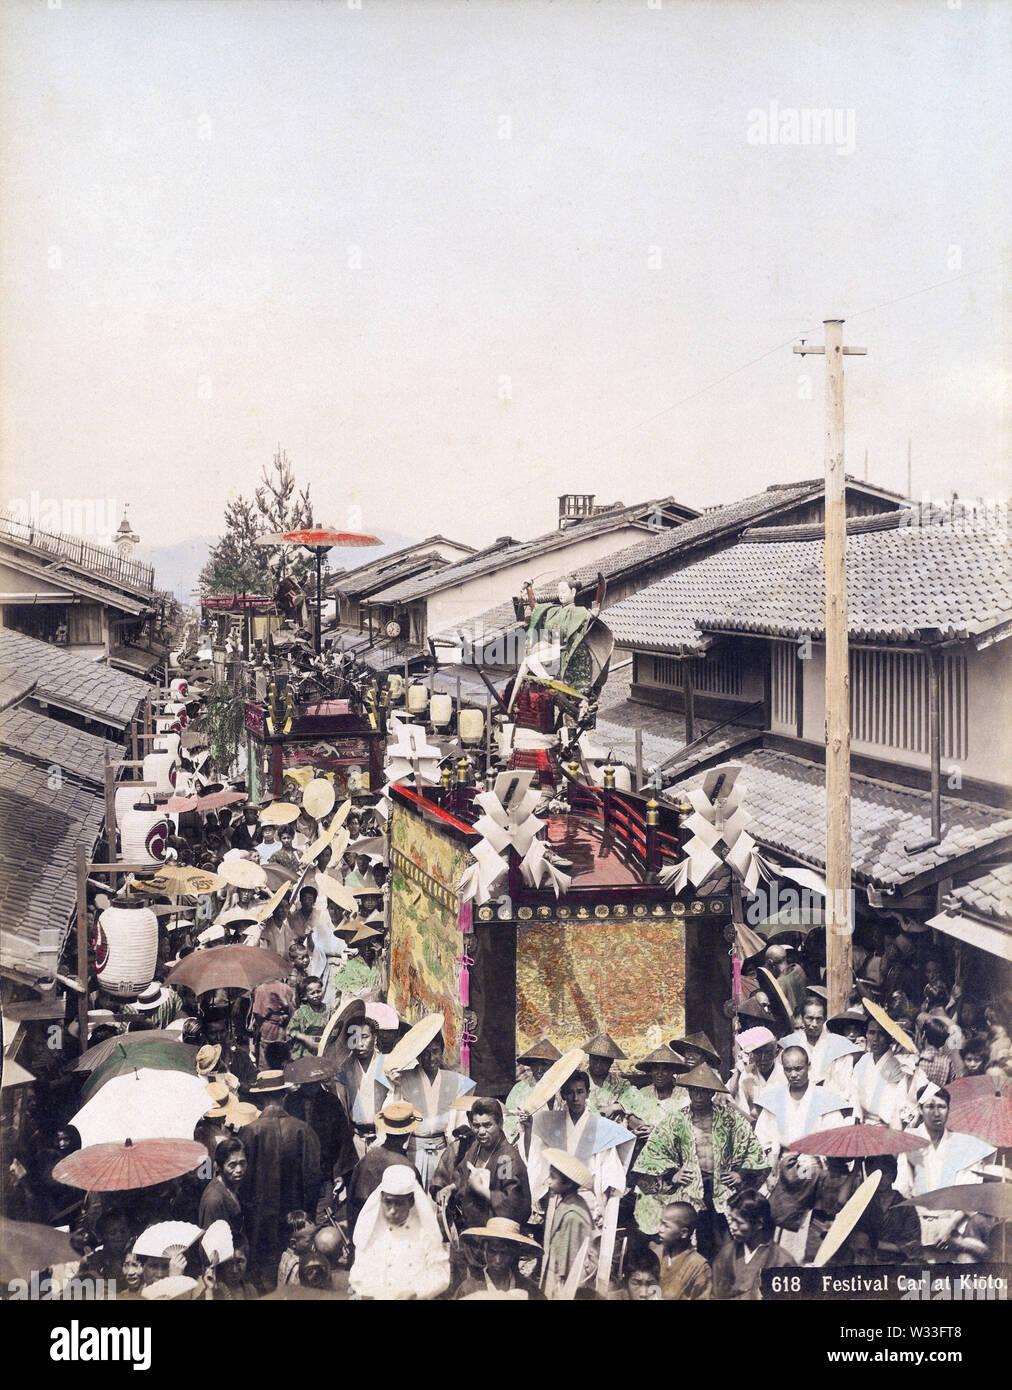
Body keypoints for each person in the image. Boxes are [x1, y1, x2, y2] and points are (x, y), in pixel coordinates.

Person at [632, 1063, 769, 1256]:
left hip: (723, 1188)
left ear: (711, 1092)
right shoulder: (675, 1120)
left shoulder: (731, 1119)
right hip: (689, 1189)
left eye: (703, 1091)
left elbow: (753, 1149)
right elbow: (653, 1155)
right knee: (688, 1244)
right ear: (688, 1091)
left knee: (726, 1245)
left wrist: (740, 1174)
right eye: (693, 1091)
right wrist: (672, 1175)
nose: (697, 1096)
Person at [240, 1071, 322, 1287]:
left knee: (263, 1276)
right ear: (284, 1095)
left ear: (262, 1097)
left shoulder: (250, 1132)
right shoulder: (303, 1130)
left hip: (259, 1220)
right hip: (295, 1219)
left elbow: (242, 1182)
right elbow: (314, 1180)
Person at [524, 1070, 634, 1222]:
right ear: (563, 1095)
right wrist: (528, 1128)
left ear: (587, 1094)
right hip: (558, 1198)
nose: (575, 1098)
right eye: (570, 1093)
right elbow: (535, 1156)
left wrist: (604, 1206)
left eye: (580, 1092)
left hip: (588, 1199)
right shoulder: (552, 1124)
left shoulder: (601, 1128)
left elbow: (611, 1173)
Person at [349, 1165, 450, 1301]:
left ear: (411, 1202)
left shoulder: (425, 1232)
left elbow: (440, 1273)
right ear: (381, 1199)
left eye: (399, 1204)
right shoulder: (370, 1231)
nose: (392, 1210)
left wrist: (417, 1292)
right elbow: (359, 1274)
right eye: (388, 1202)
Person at [390, 1031, 476, 1189]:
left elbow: (459, 1121)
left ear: (442, 1052)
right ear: (418, 1055)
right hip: (414, 1151)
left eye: (435, 1051)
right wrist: (396, 1088)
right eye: (425, 1053)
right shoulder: (404, 1079)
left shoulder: (455, 1081)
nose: (431, 1058)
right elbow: (395, 1114)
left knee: (439, 1198)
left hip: (443, 1152)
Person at [440, 1098, 531, 1246]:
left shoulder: (505, 1159)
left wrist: (482, 1190)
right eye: (476, 1126)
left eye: (487, 1125)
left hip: (496, 1239)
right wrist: (452, 1187)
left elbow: (511, 1200)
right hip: (472, 1230)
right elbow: (462, 1172)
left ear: (500, 1123)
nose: (481, 1132)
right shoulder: (477, 1146)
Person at [753, 1047, 852, 1173]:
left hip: (817, 1165)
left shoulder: (824, 1097)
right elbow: (763, 1138)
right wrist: (772, 1168)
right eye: (788, 1070)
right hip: (782, 1164)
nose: (793, 1075)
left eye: (798, 1069)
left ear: (808, 1066)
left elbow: (834, 1137)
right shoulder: (775, 1098)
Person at [347, 1101, 420, 1232]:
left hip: (364, 1228)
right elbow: (416, 1210)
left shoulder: (367, 1158)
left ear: (385, 1129)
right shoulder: (407, 1167)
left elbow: (352, 1199)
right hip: (393, 1232)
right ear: (408, 1133)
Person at [711, 1191, 797, 1300]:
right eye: (731, 1220)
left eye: (739, 1222)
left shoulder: (782, 1260)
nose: (732, 1227)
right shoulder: (726, 1254)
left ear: (759, 1224)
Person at [334, 1008, 392, 1155]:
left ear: (375, 1037)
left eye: (364, 1037)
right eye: (354, 1038)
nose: (359, 1043)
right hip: (356, 1139)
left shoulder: (387, 1064)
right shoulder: (345, 1069)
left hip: (383, 1136)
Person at [774, 995, 861, 1091]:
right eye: (810, 1018)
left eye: (819, 1019)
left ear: (824, 1019)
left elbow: (844, 1084)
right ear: (802, 1018)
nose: (814, 1024)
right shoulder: (790, 1043)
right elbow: (780, 1079)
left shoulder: (839, 1045)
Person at [541, 1148, 596, 1300]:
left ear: (568, 1184)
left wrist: (561, 1283)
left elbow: (572, 1258)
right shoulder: (567, 1202)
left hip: (567, 1278)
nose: (549, 1181)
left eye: (553, 1177)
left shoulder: (573, 1215)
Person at [455, 1218, 545, 1300]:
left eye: (505, 1253)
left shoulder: (528, 1288)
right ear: (484, 1250)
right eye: (492, 1252)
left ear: (514, 1253)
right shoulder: (469, 1288)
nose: (498, 1260)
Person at [648, 1201, 712, 1300]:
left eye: (666, 1226)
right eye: (661, 1223)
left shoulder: (699, 1267)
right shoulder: (655, 1252)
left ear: (684, 1233)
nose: (660, 1229)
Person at [503, 1038, 561, 1144]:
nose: (539, 1069)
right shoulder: (519, 1089)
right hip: (525, 1140)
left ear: (552, 1065)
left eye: (544, 1064)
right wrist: (521, 1124)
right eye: (535, 1064)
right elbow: (508, 1117)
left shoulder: (561, 1088)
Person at [582, 1032, 644, 1118]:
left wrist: (617, 1106)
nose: (598, 1065)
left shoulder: (621, 1085)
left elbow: (635, 1101)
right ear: (589, 1058)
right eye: (595, 1059)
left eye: (603, 1061)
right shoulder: (579, 1080)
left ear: (611, 1062)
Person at [198, 1137, 247, 1242]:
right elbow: (210, 1245)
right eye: (232, 1165)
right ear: (220, 1166)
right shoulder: (214, 1200)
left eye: (242, 1163)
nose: (239, 1170)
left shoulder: (233, 1187)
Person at [632, 1044, 689, 1130]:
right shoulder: (643, 1093)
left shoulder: (684, 1096)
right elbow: (631, 1116)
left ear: (672, 1071)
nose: (659, 1074)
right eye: (656, 1069)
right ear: (651, 1071)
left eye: (665, 1069)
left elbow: (684, 1126)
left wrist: (656, 1132)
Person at [285, 976, 330, 1060]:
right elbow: (290, 1030)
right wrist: (304, 1038)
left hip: (322, 1050)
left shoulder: (329, 1010)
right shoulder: (301, 1012)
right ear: (305, 996)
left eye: (318, 991)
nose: (316, 995)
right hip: (303, 1052)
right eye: (312, 993)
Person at [275, 1209, 317, 1288]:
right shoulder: (299, 1269)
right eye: (309, 1240)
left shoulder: (285, 1255)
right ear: (293, 1244)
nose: (314, 1243)